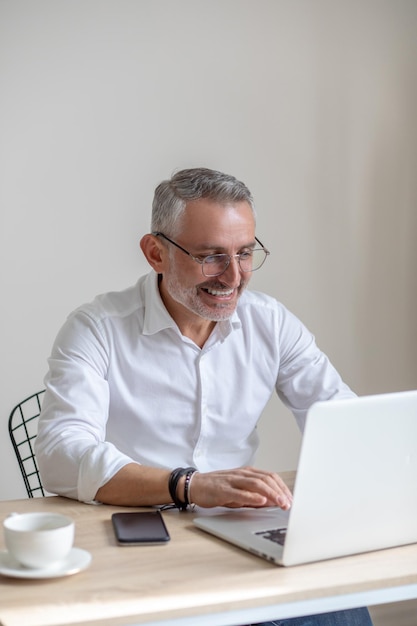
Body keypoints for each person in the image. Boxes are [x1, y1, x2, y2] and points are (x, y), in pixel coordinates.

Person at [35, 168, 373, 626]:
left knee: (340, 612)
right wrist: (189, 484)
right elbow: (61, 455)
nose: (233, 277)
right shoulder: (97, 328)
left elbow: (345, 421)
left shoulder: (270, 323)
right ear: (156, 252)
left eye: (245, 253)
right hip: (141, 539)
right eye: (212, 256)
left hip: (241, 530)